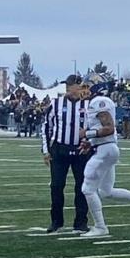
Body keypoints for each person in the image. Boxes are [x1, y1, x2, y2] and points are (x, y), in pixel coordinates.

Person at [77, 73, 130, 238]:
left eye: (87, 86)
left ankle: (100, 227)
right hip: (106, 147)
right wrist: (89, 142)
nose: (84, 90)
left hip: (105, 149)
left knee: (87, 188)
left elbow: (109, 128)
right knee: (106, 191)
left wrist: (87, 133)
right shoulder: (99, 102)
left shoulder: (99, 102)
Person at [41, 74, 91, 233]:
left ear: (79, 86)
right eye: (67, 86)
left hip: (81, 150)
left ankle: (81, 221)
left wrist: (90, 141)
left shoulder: (89, 104)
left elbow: (96, 126)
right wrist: (45, 150)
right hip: (60, 149)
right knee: (56, 186)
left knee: (82, 187)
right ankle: (56, 221)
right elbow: (46, 128)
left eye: (71, 85)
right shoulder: (55, 104)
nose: (68, 89)